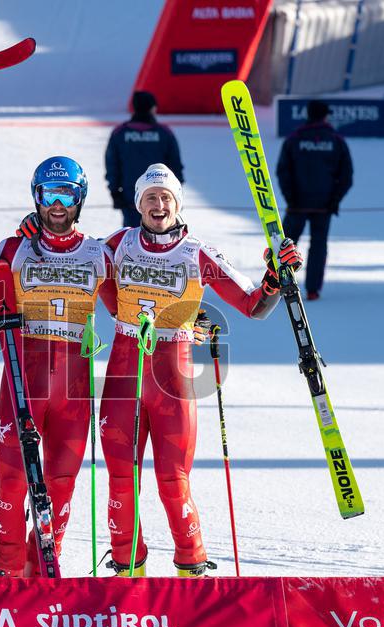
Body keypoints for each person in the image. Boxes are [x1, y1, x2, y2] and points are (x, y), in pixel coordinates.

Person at [99, 164, 301, 577]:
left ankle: (190, 569)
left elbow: (253, 305)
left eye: (166, 198)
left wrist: (275, 276)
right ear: (138, 204)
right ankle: (126, 569)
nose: (159, 205)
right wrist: (34, 227)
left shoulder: (196, 252)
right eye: (150, 197)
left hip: (172, 378)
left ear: (177, 204)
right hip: (124, 375)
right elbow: (74, 267)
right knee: (121, 480)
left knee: (173, 482)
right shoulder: (116, 244)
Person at [0, 157, 115, 577]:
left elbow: (132, 306)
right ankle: (5, 569)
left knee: (63, 485)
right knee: (13, 482)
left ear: (81, 199)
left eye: (67, 196)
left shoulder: (100, 253)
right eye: (48, 195)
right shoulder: (12, 248)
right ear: (36, 198)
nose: (57, 205)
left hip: (74, 389)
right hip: (24, 382)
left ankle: (40, 568)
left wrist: (186, 322)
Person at [275, 100, 352, 301]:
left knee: (286, 248)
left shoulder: (295, 138)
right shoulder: (336, 140)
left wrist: (290, 198)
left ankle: (280, 285)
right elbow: (346, 176)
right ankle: (313, 290)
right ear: (325, 116)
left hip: (297, 206)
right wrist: (334, 200)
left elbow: (283, 171)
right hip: (323, 206)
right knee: (318, 246)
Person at [105, 91, 184, 228]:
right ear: (153, 108)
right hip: (163, 198)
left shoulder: (120, 133)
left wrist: (114, 191)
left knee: (132, 240)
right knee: (163, 237)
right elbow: (175, 165)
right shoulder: (164, 133)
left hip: (130, 198)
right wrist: (176, 192)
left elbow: (112, 164)